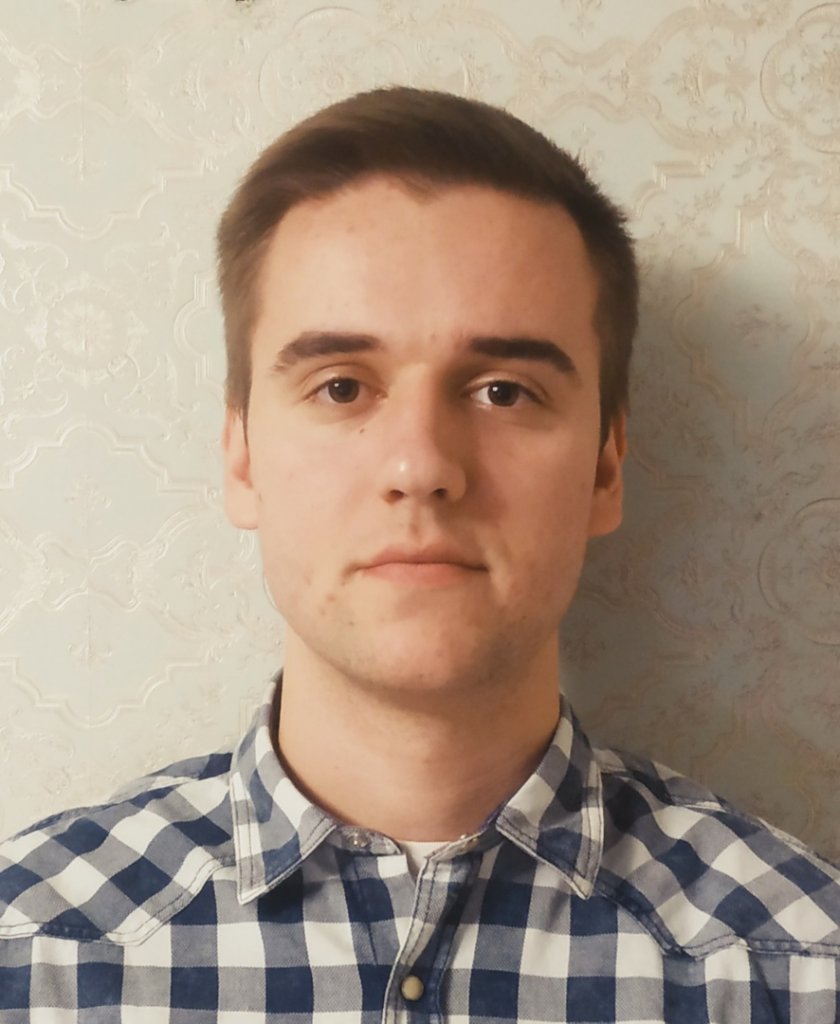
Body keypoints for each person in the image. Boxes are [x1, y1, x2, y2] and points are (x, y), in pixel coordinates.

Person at [0, 87, 838, 1023]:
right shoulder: (31, 958)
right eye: (341, 386)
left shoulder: (802, 970)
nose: (421, 467)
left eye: (504, 392)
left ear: (606, 465)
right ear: (242, 458)